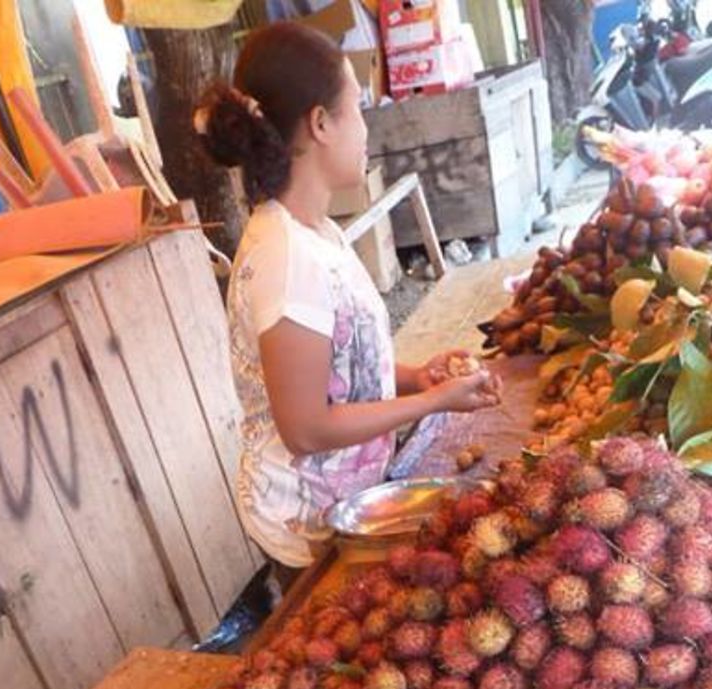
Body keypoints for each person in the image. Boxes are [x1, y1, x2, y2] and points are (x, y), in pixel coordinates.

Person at [194, 21, 501, 572]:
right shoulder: (287, 261)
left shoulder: (318, 233)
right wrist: (433, 403)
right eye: (357, 109)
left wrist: (417, 377)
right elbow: (306, 426)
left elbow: (341, 368)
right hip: (303, 526)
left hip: (345, 500)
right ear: (319, 124)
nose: (367, 128)